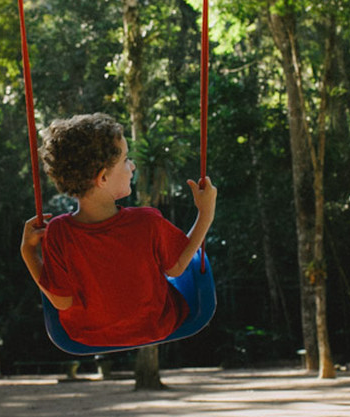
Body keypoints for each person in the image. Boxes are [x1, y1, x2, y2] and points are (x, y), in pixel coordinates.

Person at [19, 113, 217, 347]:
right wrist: (205, 214)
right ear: (102, 177)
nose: (132, 166)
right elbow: (176, 268)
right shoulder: (147, 221)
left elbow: (62, 302)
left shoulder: (58, 232)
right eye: (125, 159)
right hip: (157, 325)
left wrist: (29, 253)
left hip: (88, 336)